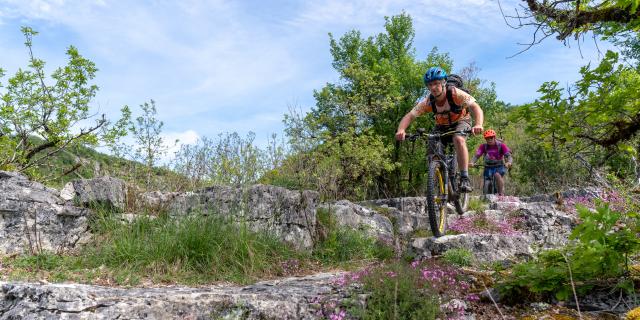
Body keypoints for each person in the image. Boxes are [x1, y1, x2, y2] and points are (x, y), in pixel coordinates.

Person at [395, 66, 484, 192]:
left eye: (436, 83)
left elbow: (476, 108)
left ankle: (464, 177)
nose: (433, 87)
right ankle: (437, 179)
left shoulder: (455, 93)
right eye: (430, 85)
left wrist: (478, 124)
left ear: (443, 83)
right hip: (441, 126)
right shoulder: (428, 102)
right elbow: (409, 116)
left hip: (461, 121)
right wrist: (401, 130)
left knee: (459, 139)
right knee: (432, 148)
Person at [470, 129, 513, 195]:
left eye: (491, 138)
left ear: (494, 137)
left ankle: (501, 194)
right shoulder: (483, 146)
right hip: (488, 166)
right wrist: (472, 162)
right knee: (487, 179)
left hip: (499, 166)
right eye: (487, 138)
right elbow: (477, 155)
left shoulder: (501, 145)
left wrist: (509, 162)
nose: (489, 140)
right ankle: (485, 196)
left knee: (497, 175)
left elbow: (508, 155)